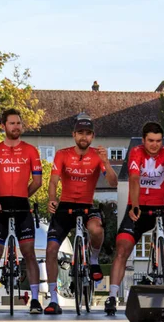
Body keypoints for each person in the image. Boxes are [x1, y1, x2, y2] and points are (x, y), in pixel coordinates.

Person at [105, 121, 164, 315]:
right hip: (137, 209)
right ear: (143, 140)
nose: (154, 145)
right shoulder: (136, 152)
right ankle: (112, 296)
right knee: (122, 249)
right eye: (150, 140)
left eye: (158, 141)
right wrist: (135, 205)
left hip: (159, 208)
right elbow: (134, 179)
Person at [43, 115, 118, 315]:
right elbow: (53, 181)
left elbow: (113, 182)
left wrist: (106, 163)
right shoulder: (62, 154)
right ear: (74, 135)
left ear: (92, 136)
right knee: (51, 250)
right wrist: (52, 198)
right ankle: (53, 298)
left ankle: (93, 259)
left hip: (87, 205)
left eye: (88, 133)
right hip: (65, 206)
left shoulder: (97, 155)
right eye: (80, 133)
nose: (84, 137)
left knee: (96, 229)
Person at [0, 108, 43, 315]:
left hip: (22, 205)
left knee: (29, 253)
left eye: (19, 123)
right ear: (3, 126)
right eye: (12, 123)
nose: (16, 127)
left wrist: (24, 195)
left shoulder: (31, 150)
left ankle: (34, 300)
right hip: (0, 205)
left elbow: (38, 181)